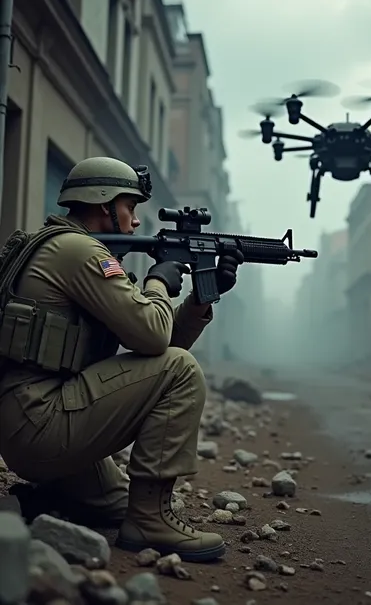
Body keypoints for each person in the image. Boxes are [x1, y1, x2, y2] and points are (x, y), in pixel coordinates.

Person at [0, 156, 244, 563]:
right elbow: (156, 341)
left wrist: (203, 295)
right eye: (130, 207)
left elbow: (161, 344)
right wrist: (157, 281)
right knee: (182, 372)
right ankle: (150, 523)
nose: (134, 223)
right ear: (103, 204)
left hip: (27, 421)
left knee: (116, 504)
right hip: (41, 422)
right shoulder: (80, 251)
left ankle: (51, 499)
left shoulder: (65, 246)